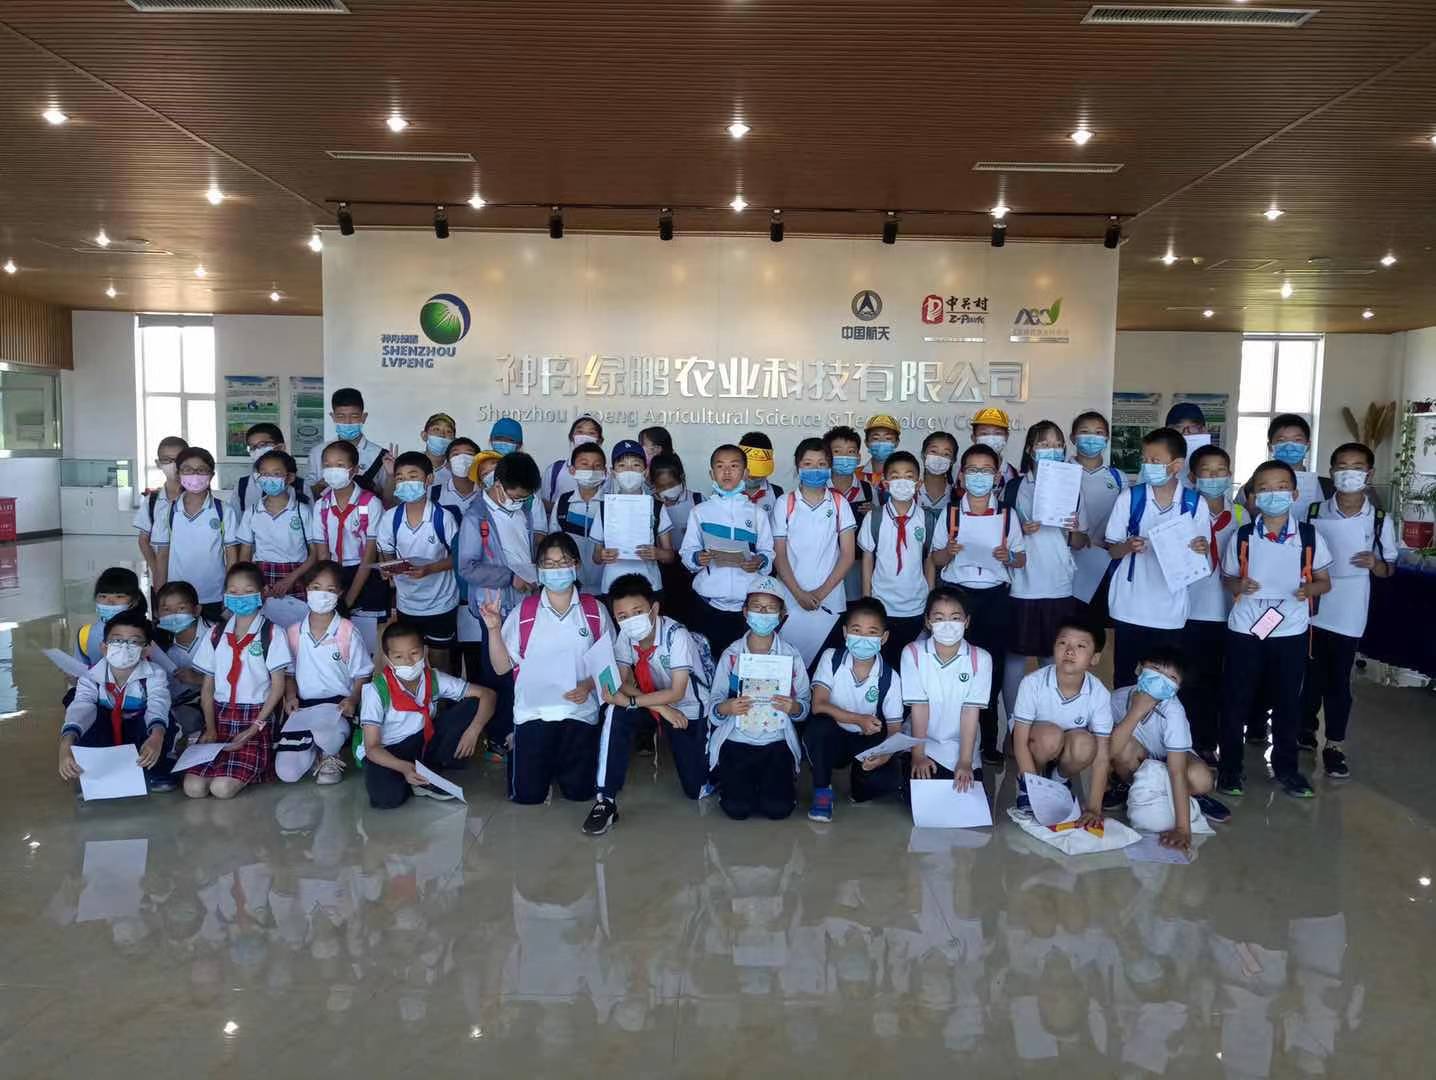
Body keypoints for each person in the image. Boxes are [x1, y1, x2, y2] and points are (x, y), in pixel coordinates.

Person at [1218, 459, 1333, 799]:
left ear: (1294, 494)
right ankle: (1230, 769)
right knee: (1236, 699)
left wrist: (1308, 590)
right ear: (1253, 496)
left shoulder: (1309, 536)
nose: (1273, 494)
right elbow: (1227, 579)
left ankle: (1287, 769)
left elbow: (1325, 582)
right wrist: (1239, 585)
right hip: (1245, 629)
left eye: (1281, 487)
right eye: (1264, 489)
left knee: (1287, 702)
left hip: (1290, 631)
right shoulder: (1242, 536)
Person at [482, 532, 615, 805]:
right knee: (528, 796)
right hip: (533, 714)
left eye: (563, 562)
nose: (556, 569)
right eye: (549, 564)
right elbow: (501, 667)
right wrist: (494, 629)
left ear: (576, 565)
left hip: (580, 714)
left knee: (580, 794)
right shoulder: (525, 612)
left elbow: (609, 668)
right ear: (539, 570)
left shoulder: (594, 611)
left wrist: (588, 685)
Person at [582, 574, 712, 835]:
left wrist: (637, 701)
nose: (630, 620)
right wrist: (659, 708)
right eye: (622, 616)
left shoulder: (677, 636)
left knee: (695, 789)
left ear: (654, 609)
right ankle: (605, 800)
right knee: (616, 711)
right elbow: (621, 682)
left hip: (688, 709)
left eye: (637, 611)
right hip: (656, 703)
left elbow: (677, 692)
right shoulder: (625, 636)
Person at [1300, 442, 1396, 780]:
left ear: (1369, 474)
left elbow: (1389, 569)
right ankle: (1305, 731)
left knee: (1339, 678)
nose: (1349, 473)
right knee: (1310, 673)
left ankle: (1335, 744)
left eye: (1357, 467)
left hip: (1350, 606)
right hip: (1313, 604)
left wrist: (1375, 564)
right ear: (1331, 472)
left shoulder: (1379, 518)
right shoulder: (1314, 512)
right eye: (1342, 466)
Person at [929, 444, 1026, 763]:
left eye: (986, 471)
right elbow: (936, 558)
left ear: (997, 476)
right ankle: (950, 735)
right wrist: (949, 552)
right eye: (972, 470)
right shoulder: (952, 513)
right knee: (954, 662)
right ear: (961, 476)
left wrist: (1008, 556)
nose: (979, 476)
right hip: (959, 596)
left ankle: (988, 739)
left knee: (991, 668)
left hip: (995, 598)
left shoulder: (1007, 515)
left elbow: (1021, 559)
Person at [1103, 427, 1211, 687]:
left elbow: (1202, 553)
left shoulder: (1195, 504)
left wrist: (1201, 548)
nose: (1147, 465)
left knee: (1164, 682)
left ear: (1176, 466)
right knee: (1127, 679)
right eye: (1145, 459)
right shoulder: (1131, 498)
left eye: (1155, 460)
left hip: (1170, 611)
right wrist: (1128, 546)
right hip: (1130, 607)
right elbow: (1111, 549)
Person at [457, 450, 543, 752]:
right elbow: (467, 567)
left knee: (523, 670)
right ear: (498, 485)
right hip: (495, 607)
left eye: (525, 497)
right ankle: (497, 736)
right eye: (516, 496)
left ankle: (518, 728)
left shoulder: (523, 509)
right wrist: (509, 578)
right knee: (498, 672)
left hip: (525, 601)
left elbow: (525, 550)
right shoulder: (476, 516)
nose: (520, 501)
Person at [706, 577, 811, 821]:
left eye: (771, 608)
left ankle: (774, 783)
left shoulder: (791, 656)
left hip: (776, 741)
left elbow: (805, 707)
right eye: (757, 607)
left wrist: (794, 707)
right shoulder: (732, 655)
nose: (763, 613)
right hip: (737, 739)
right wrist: (726, 707)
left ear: (781, 615)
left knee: (778, 809)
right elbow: (714, 707)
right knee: (737, 809)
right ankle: (732, 782)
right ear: (745, 612)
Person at [185, 561, 292, 800]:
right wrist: (210, 727)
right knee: (193, 788)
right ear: (224, 595)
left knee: (221, 789)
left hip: (255, 719)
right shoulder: (216, 634)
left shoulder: (272, 633)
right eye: (233, 592)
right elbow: (208, 687)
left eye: (247, 591)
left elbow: (277, 687)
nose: (239, 597)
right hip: (220, 718)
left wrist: (254, 728)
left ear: (262, 593)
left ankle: (259, 765)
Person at [358, 621, 495, 808]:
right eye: (398, 656)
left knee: (473, 704)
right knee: (386, 799)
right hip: (388, 750)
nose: (408, 661)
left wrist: (473, 731)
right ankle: (414, 775)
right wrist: (403, 767)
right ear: (388, 659)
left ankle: (423, 770)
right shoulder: (376, 691)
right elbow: (372, 747)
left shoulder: (433, 678)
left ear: (424, 651)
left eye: (414, 653)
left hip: (423, 740)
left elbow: (488, 695)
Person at [1103, 648, 1226, 848]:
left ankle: (1192, 798)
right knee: (1122, 746)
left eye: (1171, 677)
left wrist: (1183, 829)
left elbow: (1177, 770)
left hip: (1171, 761)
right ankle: (1129, 787)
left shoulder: (1173, 711)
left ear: (1177, 688)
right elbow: (1108, 752)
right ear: (1139, 669)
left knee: (1201, 779)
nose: (1161, 679)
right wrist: (1136, 711)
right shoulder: (1116, 699)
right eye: (1155, 669)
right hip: (1137, 761)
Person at [1003, 421, 1084, 721]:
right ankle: (1014, 725)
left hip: (1059, 586)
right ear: (1030, 449)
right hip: (1021, 585)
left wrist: (1074, 529)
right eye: (1044, 444)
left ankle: (1050, 723)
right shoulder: (1014, 487)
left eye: (1057, 445)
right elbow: (999, 535)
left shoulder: (1072, 487)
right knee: (1015, 658)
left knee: (1053, 657)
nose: (1051, 450)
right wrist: (1019, 530)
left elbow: (1081, 541)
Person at [803, 598, 904, 821]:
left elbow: (895, 729)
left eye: (872, 632)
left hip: (865, 740)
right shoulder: (832, 658)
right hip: (834, 737)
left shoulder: (890, 677)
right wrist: (858, 719)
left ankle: (859, 784)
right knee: (819, 729)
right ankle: (822, 789)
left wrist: (885, 755)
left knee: (886, 780)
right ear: (845, 632)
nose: (863, 638)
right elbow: (818, 704)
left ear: (884, 638)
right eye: (856, 630)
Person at [59, 609, 180, 792]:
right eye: (116, 641)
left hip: (140, 730)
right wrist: (66, 743)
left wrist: (157, 736)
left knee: (164, 723)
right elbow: (82, 706)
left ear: (146, 650)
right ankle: (95, 769)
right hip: (108, 728)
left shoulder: (155, 673)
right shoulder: (91, 675)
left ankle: (159, 764)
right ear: (104, 647)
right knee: (83, 718)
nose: (124, 647)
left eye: (134, 642)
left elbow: (158, 703)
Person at [1009, 620, 1111, 827]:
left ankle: (1059, 779)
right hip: (1036, 744)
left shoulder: (1099, 693)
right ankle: (1030, 782)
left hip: (1068, 747)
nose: (1070, 651)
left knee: (1086, 744)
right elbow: (1019, 741)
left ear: (1094, 658)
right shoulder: (1032, 683)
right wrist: (1033, 791)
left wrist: (1094, 807)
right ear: (1054, 647)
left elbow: (1101, 756)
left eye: (1080, 646)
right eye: (1063, 643)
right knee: (1050, 736)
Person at [892, 586, 993, 796]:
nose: (948, 625)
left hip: (961, 743)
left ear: (967, 621)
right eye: (939, 618)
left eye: (955, 618)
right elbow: (919, 706)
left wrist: (965, 761)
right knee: (919, 794)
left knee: (964, 797)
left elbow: (970, 711)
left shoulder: (981, 658)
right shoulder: (913, 653)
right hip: (923, 739)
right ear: (928, 622)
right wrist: (918, 755)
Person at [281, 561, 374, 784]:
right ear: (306, 590)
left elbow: (363, 673)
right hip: (304, 708)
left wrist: (353, 699)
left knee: (327, 740)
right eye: (316, 587)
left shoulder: (347, 630)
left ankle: (330, 753)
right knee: (287, 774)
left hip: (337, 707)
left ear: (340, 593)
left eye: (330, 589)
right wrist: (291, 696)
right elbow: (289, 674)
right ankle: (314, 750)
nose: (322, 594)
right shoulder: (294, 632)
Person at [678, 444, 775, 656]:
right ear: (712, 474)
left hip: (746, 608)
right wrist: (697, 557)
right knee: (706, 661)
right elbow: (687, 551)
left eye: (734, 466)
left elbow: (768, 552)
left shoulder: (757, 514)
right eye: (720, 466)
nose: (727, 472)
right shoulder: (700, 512)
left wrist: (760, 561)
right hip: (706, 605)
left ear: (745, 473)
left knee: (741, 663)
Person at [1182, 445, 1245, 766]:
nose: (1214, 476)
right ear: (1193, 477)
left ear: (1229, 475)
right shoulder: (1182, 512)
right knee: (1188, 681)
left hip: (1228, 612)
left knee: (1218, 681)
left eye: (1221, 471)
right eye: (1206, 471)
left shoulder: (1240, 514)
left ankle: (1208, 742)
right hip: (1189, 610)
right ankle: (1184, 742)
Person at [771, 437, 856, 666]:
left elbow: (848, 555)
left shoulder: (839, 503)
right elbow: (779, 554)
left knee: (823, 668)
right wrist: (799, 594)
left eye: (821, 464)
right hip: (790, 601)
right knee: (787, 667)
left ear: (829, 466)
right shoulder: (785, 502)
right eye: (808, 464)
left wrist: (820, 593)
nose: (815, 469)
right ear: (798, 466)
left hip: (829, 602)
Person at [378, 451, 462, 674]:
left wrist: (430, 569)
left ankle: (441, 696)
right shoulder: (390, 518)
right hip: (408, 604)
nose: (406, 482)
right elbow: (385, 552)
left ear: (429, 479)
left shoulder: (443, 518)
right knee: (410, 660)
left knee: (439, 660)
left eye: (413, 476)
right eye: (400, 478)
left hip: (441, 603)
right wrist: (388, 569)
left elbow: (459, 557)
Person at [857, 450, 935, 663]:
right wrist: (867, 599)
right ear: (885, 483)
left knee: (913, 661)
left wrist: (930, 599)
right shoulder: (875, 517)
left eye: (909, 476)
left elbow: (929, 560)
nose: (902, 481)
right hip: (882, 604)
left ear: (918, 484)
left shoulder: (926, 519)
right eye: (895, 476)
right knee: (883, 661)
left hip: (916, 605)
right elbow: (867, 559)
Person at [313, 439, 386, 656]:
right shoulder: (321, 505)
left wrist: (349, 599)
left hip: (364, 575)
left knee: (364, 648)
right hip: (333, 575)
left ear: (353, 470)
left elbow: (369, 556)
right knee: (336, 647)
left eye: (340, 465)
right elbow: (322, 554)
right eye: (327, 465)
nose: (332, 470)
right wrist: (329, 590)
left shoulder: (370, 503)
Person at [150, 446, 240, 623]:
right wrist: (160, 597)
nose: (195, 475)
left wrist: (230, 594)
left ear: (211, 475)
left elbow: (232, 557)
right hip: (177, 598)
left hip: (214, 595)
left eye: (201, 470)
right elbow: (162, 558)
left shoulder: (224, 510)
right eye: (187, 470)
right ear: (178, 474)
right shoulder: (167, 511)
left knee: (214, 636)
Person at [236, 449, 320, 628]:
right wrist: (257, 583)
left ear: (289, 478)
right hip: (261, 575)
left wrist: (291, 579)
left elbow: (315, 554)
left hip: (297, 575)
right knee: (264, 629)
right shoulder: (252, 512)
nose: (269, 479)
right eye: (264, 474)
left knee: (297, 629)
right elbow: (245, 555)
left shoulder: (302, 511)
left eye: (276, 474)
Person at [592, 439, 676, 597]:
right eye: (622, 466)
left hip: (650, 585)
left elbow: (670, 556)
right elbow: (596, 557)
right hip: (612, 585)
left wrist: (658, 553)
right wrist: (602, 555)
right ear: (613, 472)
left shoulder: (656, 506)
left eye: (636, 465)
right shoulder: (605, 508)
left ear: (645, 471)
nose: (629, 470)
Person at [1067, 411, 1125, 617]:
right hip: (1066, 563)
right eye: (1085, 432)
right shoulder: (1061, 472)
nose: (1092, 437)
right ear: (1073, 438)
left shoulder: (1118, 478)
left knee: (1097, 624)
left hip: (1104, 564)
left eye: (1099, 432)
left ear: (1107, 439)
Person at [824, 424, 877, 602]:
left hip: (858, 570)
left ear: (859, 457)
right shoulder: (817, 489)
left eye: (851, 452)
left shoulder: (868, 490)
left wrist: (875, 514)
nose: (845, 457)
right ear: (827, 456)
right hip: (824, 568)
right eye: (837, 452)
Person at [548, 440, 609, 594]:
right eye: (584, 464)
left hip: (606, 585)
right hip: (571, 586)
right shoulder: (563, 502)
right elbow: (554, 541)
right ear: (572, 470)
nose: (591, 470)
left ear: (605, 472)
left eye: (597, 466)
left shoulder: (612, 504)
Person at [306, 387, 389, 499]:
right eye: (341, 416)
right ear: (333, 417)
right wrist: (326, 482)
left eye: (354, 416)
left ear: (364, 417)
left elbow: (388, 499)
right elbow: (308, 494)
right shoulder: (317, 452)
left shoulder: (380, 455)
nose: (347, 422)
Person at [154, 580, 209, 738]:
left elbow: (239, 680)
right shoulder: (157, 645)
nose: (174, 615)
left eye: (181, 608)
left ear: (196, 610)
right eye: (166, 610)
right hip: (175, 708)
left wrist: (199, 679)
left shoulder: (216, 636)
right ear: (157, 614)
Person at [650, 451, 700, 624]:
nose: (667, 490)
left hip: (693, 568)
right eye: (661, 486)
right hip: (664, 569)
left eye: (671, 484)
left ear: (682, 478)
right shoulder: (652, 505)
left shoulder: (698, 501)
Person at [1239, 414, 1327, 509]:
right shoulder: (1251, 487)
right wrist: (1249, 512)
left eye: (1297, 440)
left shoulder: (1326, 487)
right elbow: (1235, 514)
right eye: (1281, 440)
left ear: (1308, 445)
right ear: (1270, 446)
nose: (1289, 446)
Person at [135, 434, 187, 589]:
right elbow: (143, 540)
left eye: (178, 459)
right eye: (166, 460)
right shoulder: (152, 500)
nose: (173, 465)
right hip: (163, 580)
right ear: (158, 463)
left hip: (196, 575)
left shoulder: (198, 496)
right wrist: (156, 570)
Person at [73, 567, 148, 669]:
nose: (110, 602)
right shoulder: (85, 633)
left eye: (119, 596)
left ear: (134, 601)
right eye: (103, 596)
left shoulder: (146, 630)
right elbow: (79, 670)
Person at [236, 423, 305, 513]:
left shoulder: (301, 486)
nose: (256, 450)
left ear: (280, 447)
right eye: (252, 447)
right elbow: (236, 517)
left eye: (262, 445)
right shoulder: (242, 485)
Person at [544, 412, 605, 511]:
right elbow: (544, 503)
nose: (585, 436)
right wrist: (562, 508)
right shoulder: (554, 470)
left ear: (599, 440)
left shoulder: (605, 474)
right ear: (571, 436)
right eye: (580, 431)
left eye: (591, 433)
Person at [967, 406, 1020, 496]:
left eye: (998, 433)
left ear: (1007, 437)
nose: (991, 439)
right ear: (973, 438)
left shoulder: (1013, 474)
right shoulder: (965, 471)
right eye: (984, 433)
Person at [918, 430, 959, 532]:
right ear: (923, 454)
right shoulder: (911, 489)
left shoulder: (957, 493)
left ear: (953, 461)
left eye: (946, 454)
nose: (939, 457)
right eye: (933, 451)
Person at [860, 413, 901, 491]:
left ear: (897, 443)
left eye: (888, 438)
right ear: (866, 443)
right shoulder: (856, 474)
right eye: (876, 438)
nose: (882, 442)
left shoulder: (904, 476)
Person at [417, 412, 456, 483]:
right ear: (424, 436)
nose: (442, 435)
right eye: (436, 429)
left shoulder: (457, 469)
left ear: (453, 440)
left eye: (448, 431)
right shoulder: (411, 463)